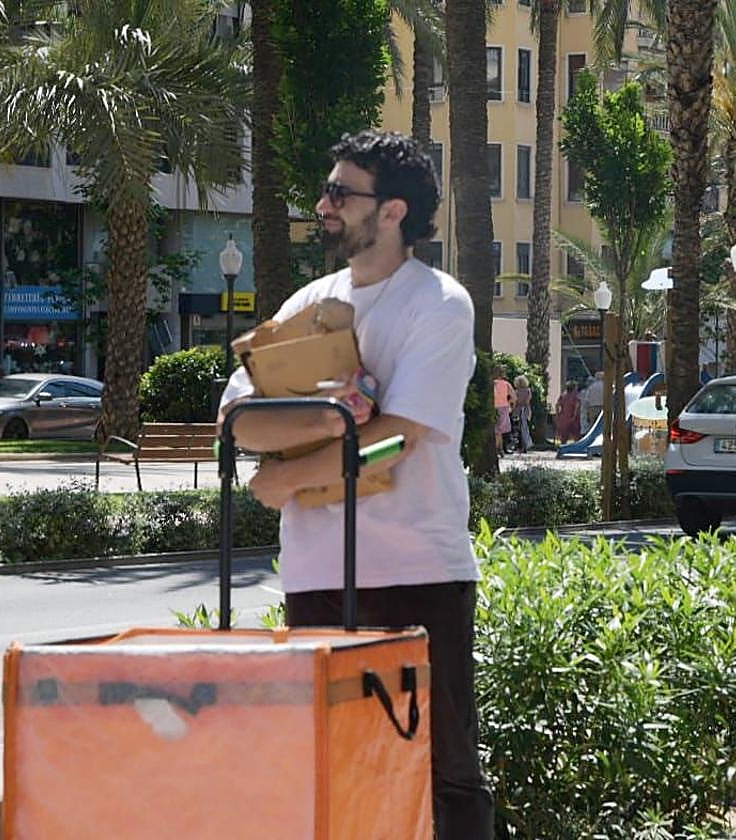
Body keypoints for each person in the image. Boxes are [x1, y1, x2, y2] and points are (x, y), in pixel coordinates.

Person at [219, 130, 493, 839]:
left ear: (393, 211)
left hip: (419, 576)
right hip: (317, 577)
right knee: (335, 770)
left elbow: (400, 440)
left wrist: (287, 477)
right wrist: (329, 416)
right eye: (327, 190)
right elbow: (237, 422)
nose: (324, 205)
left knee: (442, 772)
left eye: (341, 193)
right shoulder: (309, 303)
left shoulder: (439, 303)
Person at [492, 366, 514, 454]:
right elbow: (514, 397)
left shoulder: (492, 384)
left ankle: (499, 449)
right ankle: (498, 449)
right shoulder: (506, 384)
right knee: (500, 430)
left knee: (497, 430)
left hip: (493, 407)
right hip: (504, 407)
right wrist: (510, 403)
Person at [512, 374, 532, 453]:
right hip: (526, 410)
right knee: (525, 428)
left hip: (518, 410)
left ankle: (520, 447)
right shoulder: (528, 391)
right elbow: (527, 401)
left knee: (518, 430)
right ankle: (525, 446)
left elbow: (515, 401)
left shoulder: (516, 391)